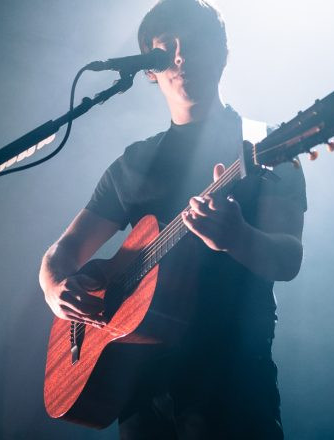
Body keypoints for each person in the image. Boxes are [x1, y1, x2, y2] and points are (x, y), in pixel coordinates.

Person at [39, 0, 307, 438]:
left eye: (195, 43)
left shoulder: (266, 144)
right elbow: (62, 252)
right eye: (166, 48)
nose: (181, 56)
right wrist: (55, 288)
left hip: (232, 383)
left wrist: (236, 237)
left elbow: (288, 258)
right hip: (140, 391)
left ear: (223, 53)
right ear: (149, 68)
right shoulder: (134, 163)